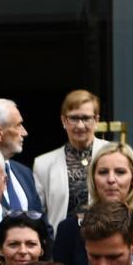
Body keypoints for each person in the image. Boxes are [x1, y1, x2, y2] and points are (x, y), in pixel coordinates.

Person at [52, 142, 133, 265]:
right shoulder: (69, 229)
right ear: (93, 179)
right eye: (103, 172)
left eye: (120, 172)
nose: (111, 180)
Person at [32, 89, 109, 230]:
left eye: (86, 118)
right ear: (63, 120)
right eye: (74, 118)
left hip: (106, 239)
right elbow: (38, 214)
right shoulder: (43, 164)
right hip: (61, 244)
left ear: (96, 120)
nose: (80, 125)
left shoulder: (114, 154)